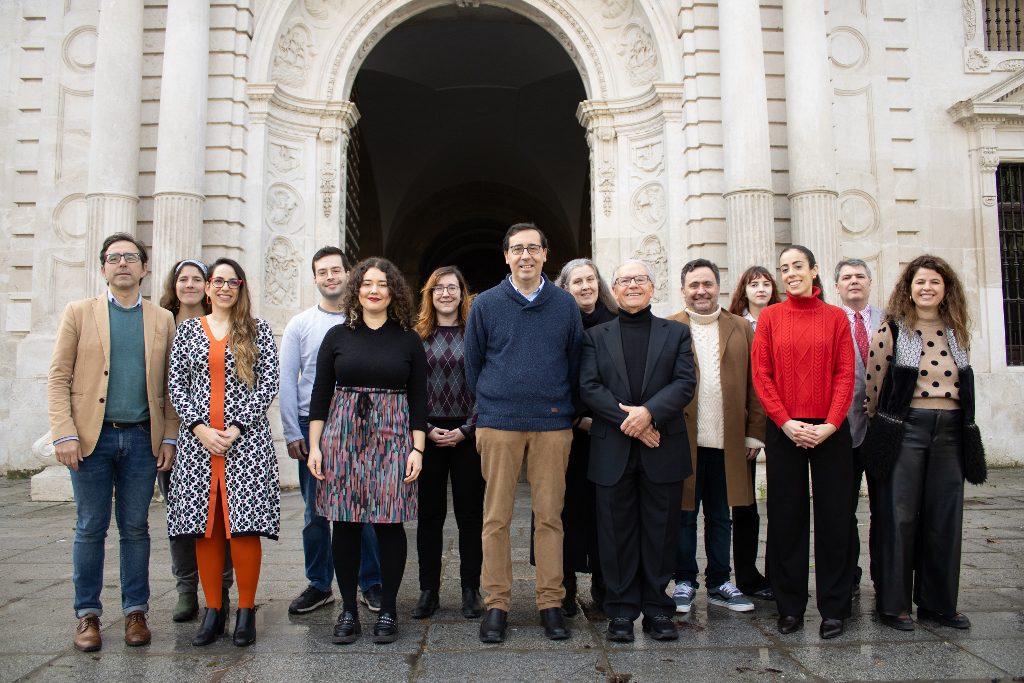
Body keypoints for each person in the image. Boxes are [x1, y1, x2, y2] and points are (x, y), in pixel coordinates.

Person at [47, 232, 179, 652]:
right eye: (114, 258)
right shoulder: (79, 313)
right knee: (90, 527)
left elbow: (170, 385)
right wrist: (64, 432)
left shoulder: (162, 318)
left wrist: (170, 437)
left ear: (144, 268)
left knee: (137, 528)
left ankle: (135, 612)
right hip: (90, 439)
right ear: (103, 268)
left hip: (142, 439)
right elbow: (58, 378)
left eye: (131, 257)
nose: (123, 263)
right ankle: (87, 614)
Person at [464, 222, 584, 643]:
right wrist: (494, 403)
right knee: (495, 518)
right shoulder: (486, 305)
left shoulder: (565, 305)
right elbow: (473, 364)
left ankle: (551, 602)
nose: (525, 255)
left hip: (552, 423)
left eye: (533, 248)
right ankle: (496, 604)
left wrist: (560, 405)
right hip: (498, 423)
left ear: (546, 254)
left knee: (550, 517)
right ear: (506, 256)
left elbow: (574, 362)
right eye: (517, 249)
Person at [307, 257, 427, 645]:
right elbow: (320, 393)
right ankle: (347, 609)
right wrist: (315, 447)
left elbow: (419, 399)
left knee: (390, 524)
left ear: (393, 291)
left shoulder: (408, 339)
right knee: (344, 523)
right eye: (367, 283)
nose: (374, 290)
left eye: (382, 283)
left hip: (393, 435)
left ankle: (389, 609)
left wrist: (417, 449)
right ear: (356, 290)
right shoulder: (337, 336)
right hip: (341, 435)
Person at [166, 258, 281, 648]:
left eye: (234, 282)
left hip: (245, 443)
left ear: (241, 287)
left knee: (244, 526)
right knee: (207, 526)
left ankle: (245, 611)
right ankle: (214, 610)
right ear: (209, 287)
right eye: (219, 281)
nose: (226, 287)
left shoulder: (257, 329)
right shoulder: (188, 333)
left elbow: (268, 384)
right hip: (199, 446)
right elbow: (177, 386)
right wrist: (199, 428)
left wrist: (234, 429)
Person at [580, 260, 696, 642]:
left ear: (652, 287)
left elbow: (683, 384)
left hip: (662, 446)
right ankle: (620, 612)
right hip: (613, 449)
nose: (632, 285)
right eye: (624, 280)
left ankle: (658, 610)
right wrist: (630, 422)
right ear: (613, 288)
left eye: (639, 279)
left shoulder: (677, 333)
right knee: (615, 535)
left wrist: (648, 414)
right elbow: (590, 388)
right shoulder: (596, 335)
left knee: (661, 533)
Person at [865, 255, 979, 632]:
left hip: (950, 431)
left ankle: (938, 603)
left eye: (934, 282)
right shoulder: (892, 331)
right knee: (898, 518)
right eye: (920, 282)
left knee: (945, 518)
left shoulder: (957, 332)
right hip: (906, 430)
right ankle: (893, 606)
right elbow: (874, 388)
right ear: (908, 289)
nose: (927, 288)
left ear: (946, 289)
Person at [750, 245, 856, 640]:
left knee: (835, 518)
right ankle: (789, 606)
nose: (790, 273)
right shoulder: (771, 318)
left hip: (830, 430)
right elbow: (762, 376)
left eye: (797, 266)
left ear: (814, 270)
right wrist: (786, 422)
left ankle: (834, 608)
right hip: (786, 430)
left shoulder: (835, 318)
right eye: (784, 268)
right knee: (786, 518)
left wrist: (829, 424)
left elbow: (846, 373)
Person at [279, 247, 384, 616]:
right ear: (315, 278)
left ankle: (371, 582)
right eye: (322, 272)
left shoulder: (366, 321)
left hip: (361, 427)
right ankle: (319, 584)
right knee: (315, 512)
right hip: (315, 428)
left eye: (336, 270)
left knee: (365, 506)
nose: (330, 277)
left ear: (348, 273)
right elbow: (287, 381)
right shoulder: (300, 325)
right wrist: (294, 432)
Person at [667, 259, 765, 615]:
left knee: (721, 515)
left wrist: (755, 434)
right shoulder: (669, 327)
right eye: (694, 285)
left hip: (728, 441)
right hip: (683, 441)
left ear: (718, 287)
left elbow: (757, 384)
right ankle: (684, 580)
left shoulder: (741, 328)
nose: (701, 291)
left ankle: (721, 580)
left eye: (707, 284)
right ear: (683, 290)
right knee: (684, 513)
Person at [156, 260, 234, 623]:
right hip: (171, 434)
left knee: (225, 518)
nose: (189, 285)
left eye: (196, 279)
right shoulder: (159, 322)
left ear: (207, 286)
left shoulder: (222, 320)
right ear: (173, 285)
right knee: (181, 518)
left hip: (216, 436)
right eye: (182, 279)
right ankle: (186, 589)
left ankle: (221, 589)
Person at [539, 258, 617, 615]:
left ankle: (605, 582)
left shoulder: (617, 322)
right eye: (577, 282)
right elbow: (547, 373)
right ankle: (564, 584)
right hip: (564, 428)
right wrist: (573, 418)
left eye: (590, 279)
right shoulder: (555, 322)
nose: (585, 287)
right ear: (564, 288)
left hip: (610, 430)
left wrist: (602, 417)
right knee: (561, 508)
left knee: (607, 510)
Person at [411, 266, 485, 620]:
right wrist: (424, 428)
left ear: (462, 292)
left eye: (452, 287)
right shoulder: (416, 336)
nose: (445, 293)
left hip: (467, 435)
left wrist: (467, 429)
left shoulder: (476, 334)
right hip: (428, 433)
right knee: (429, 516)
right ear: (429, 293)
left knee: (471, 517)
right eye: (438, 288)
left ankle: (471, 589)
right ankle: (429, 591)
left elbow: (486, 384)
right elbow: (408, 388)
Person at [726, 265, 781, 600]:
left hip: (783, 419)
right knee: (744, 505)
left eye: (765, 283)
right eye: (753, 284)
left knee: (781, 501)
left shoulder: (785, 320)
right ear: (743, 290)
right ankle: (746, 574)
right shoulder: (735, 326)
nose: (760, 289)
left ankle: (778, 572)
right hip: (747, 423)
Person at [833, 258, 883, 596]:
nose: (854, 282)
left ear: (870, 282)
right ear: (837, 286)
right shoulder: (830, 321)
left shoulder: (890, 320)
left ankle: (885, 578)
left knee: (885, 508)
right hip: (842, 431)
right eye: (847, 277)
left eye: (859, 276)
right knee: (842, 509)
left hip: (883, 433)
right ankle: (848, 577)